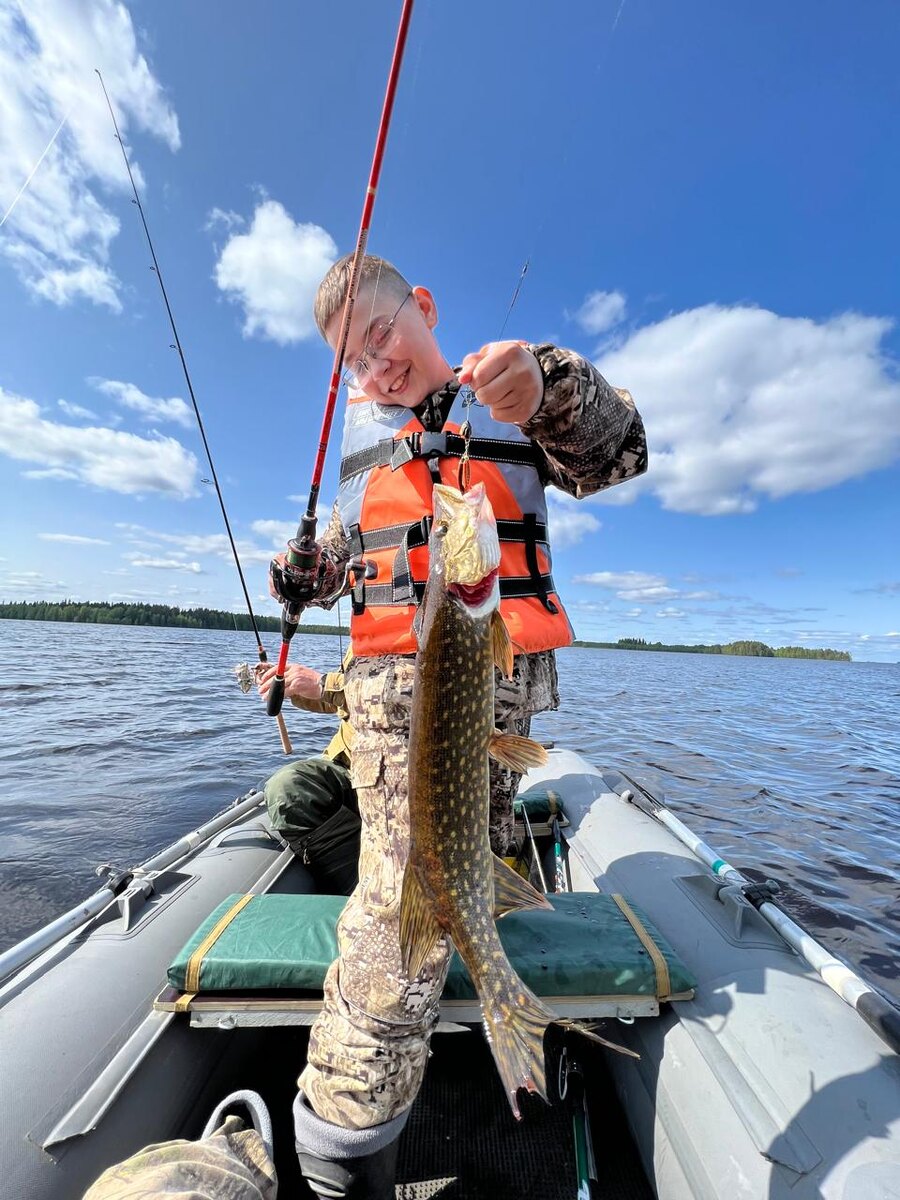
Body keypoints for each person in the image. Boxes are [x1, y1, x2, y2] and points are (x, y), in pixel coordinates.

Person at [270, 254, 647, 1199]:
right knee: (408, 896)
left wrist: (550, 384)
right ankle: (354, 1145)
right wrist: (302, 574)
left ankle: (337, 1150)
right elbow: (346, 574)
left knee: (408, 918)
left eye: (383, 333)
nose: (377, 366)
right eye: (354, 360)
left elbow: (619, 449)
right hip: (387, 718)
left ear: (424, 307)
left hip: (477, 700)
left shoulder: (513, 399)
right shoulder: (366, 457)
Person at [258, 657, 362, 896]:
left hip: (401, 779)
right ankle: (350, 889)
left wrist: (322, 683)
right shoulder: (366, 627)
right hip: (350, 767)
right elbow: (338, 701)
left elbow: (402, 694)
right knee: (288, 787)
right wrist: (291, 687)